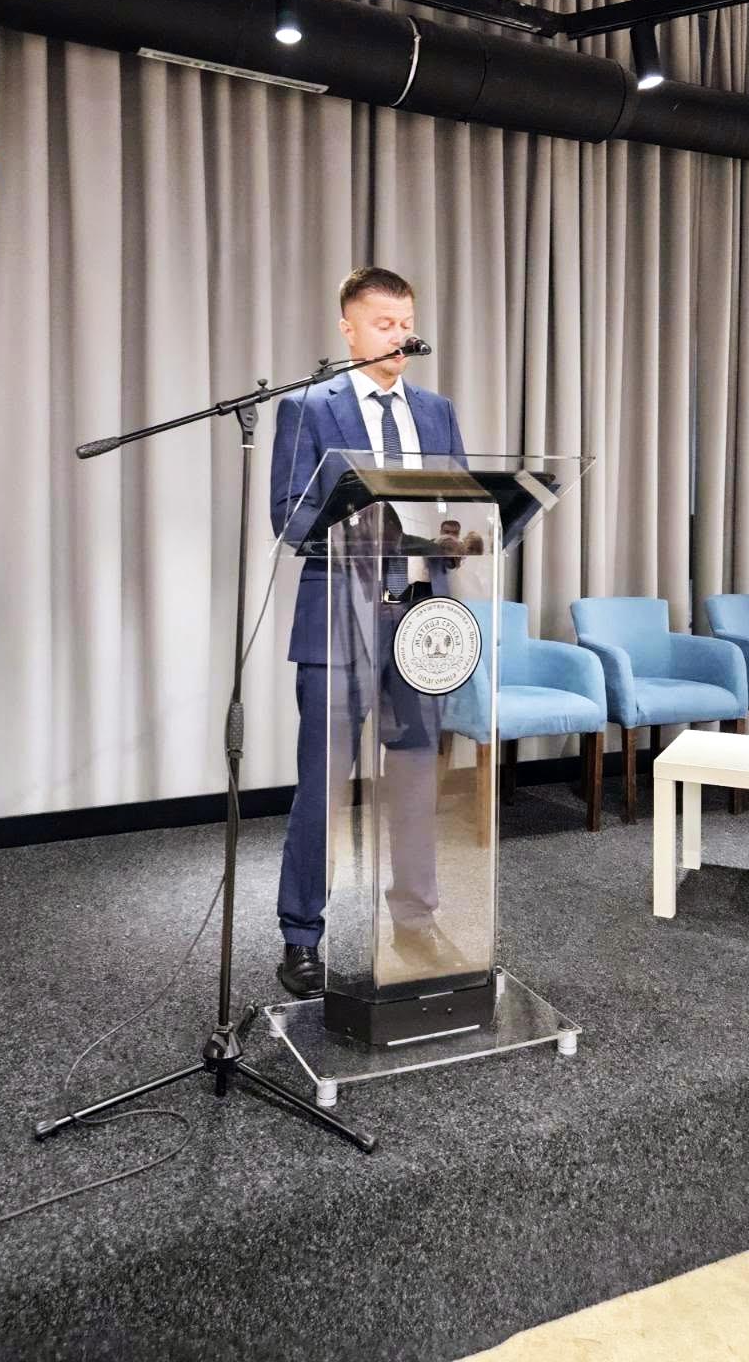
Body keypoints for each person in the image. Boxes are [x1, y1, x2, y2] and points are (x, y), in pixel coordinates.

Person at [269, 267, 467, 998]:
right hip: (337, 620)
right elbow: (289, 515)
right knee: (323, 786)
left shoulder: (437, 411)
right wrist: (361, 527)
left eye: (406, 322)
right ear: (347, 329)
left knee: (415, 779)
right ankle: (301, 935)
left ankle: (415, 921)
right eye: (384, 324)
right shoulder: (308, 408)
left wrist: (456, 532)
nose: (400, 336)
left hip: (420, 620)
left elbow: (463, 501)